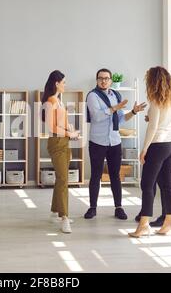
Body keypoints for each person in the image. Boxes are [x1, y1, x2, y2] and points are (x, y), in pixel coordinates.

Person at [84, 69, 146, 220]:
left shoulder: (116, 95)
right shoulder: (92, 95)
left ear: (111, 80)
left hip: (115, 141)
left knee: (115, 176)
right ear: (97, 80)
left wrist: (133, 111)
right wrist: (114, 108)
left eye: (106, 78)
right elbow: (97, 117)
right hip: (97, 142)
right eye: (100, 78)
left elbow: (121, 119)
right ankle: (92, 208)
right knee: (96, 175)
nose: (103, 81)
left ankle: (119, 208)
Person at [128, 66, 171, 238]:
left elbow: (153, 128)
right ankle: (169, 223)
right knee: (167, 185)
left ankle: (143, 225)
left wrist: (144, 150)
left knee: (147, 185)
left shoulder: (156, 101)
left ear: (153, 81)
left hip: (157, 146)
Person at [42, 70, 80, 234]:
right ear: (56, 83)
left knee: (61, 179)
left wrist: (69, 128)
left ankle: (54, 212)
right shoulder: (51, 101)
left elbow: (60, 123)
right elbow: (51, 127)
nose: (65, 85)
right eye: (63, 82)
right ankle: (64, 217)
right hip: (57, 142)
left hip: (64, 141)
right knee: (64, 179)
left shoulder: (59, 101)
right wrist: (69, 133)